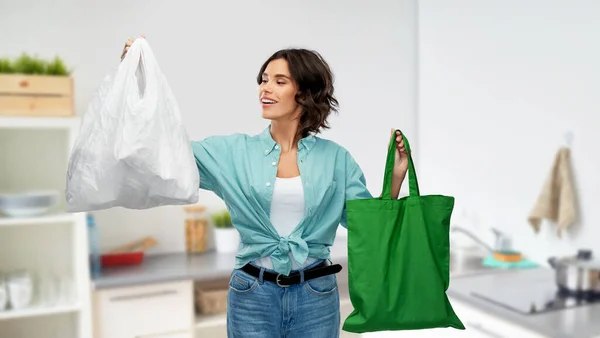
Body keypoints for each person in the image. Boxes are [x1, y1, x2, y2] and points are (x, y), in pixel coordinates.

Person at [121, 37, 408, 338]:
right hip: (251, 295)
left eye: (279, 81)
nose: (265, 88)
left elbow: (370, 227)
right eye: (264, 80)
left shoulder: (336, 159)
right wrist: (138, 81)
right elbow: (162, 150)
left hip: (316, 296)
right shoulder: (232, 153)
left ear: (305, 93)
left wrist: (396, 177)